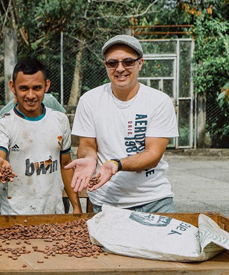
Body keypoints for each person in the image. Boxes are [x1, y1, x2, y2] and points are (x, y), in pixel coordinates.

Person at [66, 35, 178, 213]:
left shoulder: (159, 101)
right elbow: (87, 145)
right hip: (107, 203)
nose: (120, 68)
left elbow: (153, 155)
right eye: (112, 63)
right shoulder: (90, 100)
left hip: (154, 201)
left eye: (128, 62)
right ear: (105, 66)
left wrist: (116, 164)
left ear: (140, 63)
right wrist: (88, 159)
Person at [0, 59, 81, 215]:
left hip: (54, 213)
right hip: (14, 216)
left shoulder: (60, 120)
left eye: (37, 88)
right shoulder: (3, 124)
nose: (30, 95)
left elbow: (66, 164)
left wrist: (76, 207)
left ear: (47, 86)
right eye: (23, 88)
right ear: (13, 87)